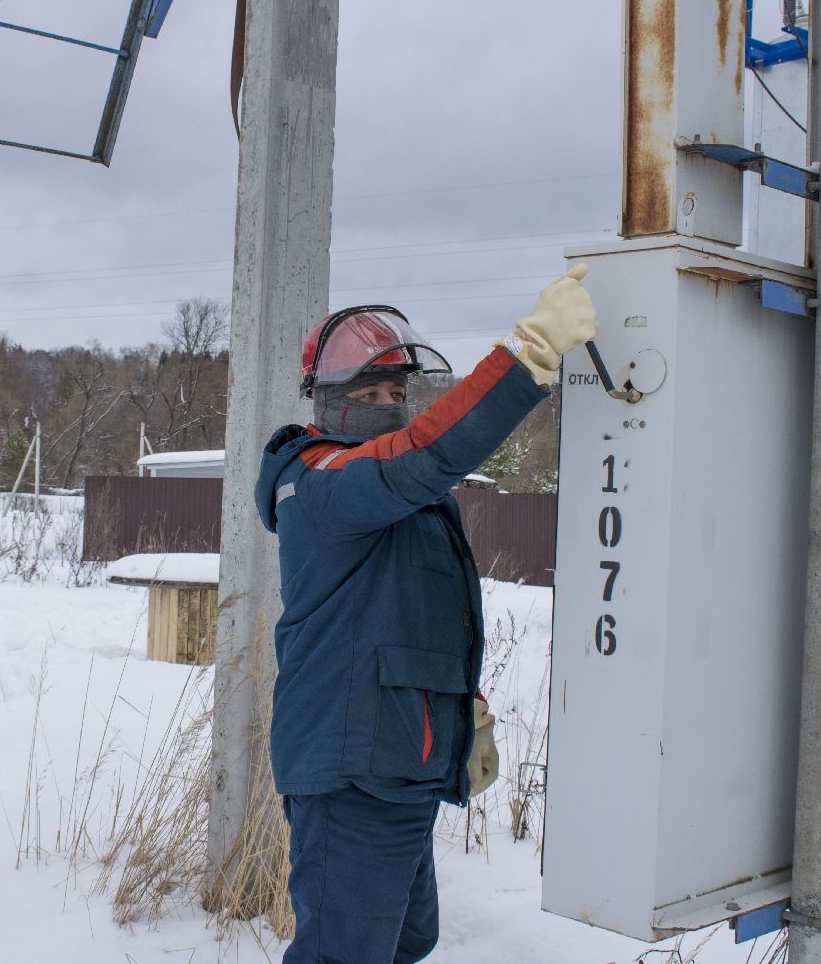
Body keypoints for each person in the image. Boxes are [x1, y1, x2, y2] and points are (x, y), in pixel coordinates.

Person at [253, 265, 599, 963]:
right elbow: (421, 454)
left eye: (395, 392)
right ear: (327, 399)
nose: (389, 404)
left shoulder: (390, 491)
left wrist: (455, 708)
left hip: (398, 760)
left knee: (410, 939)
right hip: (354, 768)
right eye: (370, 393)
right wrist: (526, 357)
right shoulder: (320, 480)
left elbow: (408, 613)